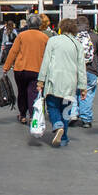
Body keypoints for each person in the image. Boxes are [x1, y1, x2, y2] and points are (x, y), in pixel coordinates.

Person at [36, 19, 87, 147]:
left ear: (61, 28)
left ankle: (57, 124)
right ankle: (63, 138)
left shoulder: (53, 41)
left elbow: (46, 62)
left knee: (52, 105)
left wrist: (40, 81)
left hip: (54, 80)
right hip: (70, 83)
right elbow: (81, 67)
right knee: (66, 109)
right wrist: (83, 87)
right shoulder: (77, 45)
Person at [5, 13, 48, 124]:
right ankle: (33, 115)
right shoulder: (44, 37)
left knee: (22, 91)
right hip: (37, 69)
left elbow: (13, 52)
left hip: (20, 69)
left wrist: (6, 67)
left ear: (28, 24)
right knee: (33, 92)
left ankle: (23, 114)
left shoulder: (21, 35)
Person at [76, 17, 98, 129]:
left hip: (75, 70)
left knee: (75, 92)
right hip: (91, 70)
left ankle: (73, 114)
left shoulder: (73, 37)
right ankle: (86, 119)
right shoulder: (94, 37)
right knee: (88, 94)